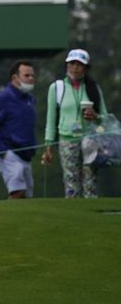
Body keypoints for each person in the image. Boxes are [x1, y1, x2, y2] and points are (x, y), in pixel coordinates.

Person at [41, 48, 109, 198]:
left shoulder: (93, 88)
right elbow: (51, 120)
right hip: (67, 140)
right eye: (72, 63)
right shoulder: (57, 88)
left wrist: (95, 116)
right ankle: (76, 215)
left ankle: (91, 217)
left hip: (90, 140)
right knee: (71, 183)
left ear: (85, 68)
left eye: (79, 64)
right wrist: (48, 146)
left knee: (90, 182)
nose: (75, 68)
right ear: (67, 65)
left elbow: (105, 117)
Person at [0, 61, 39, 199]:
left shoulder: (30, 100)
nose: (31, 78)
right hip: (9, 153)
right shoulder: (3, 98)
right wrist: (2, 151)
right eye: (27, 75)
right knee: (18, 192)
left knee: (27, 196)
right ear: (15, 78)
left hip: (26, 155)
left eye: (32, 75)